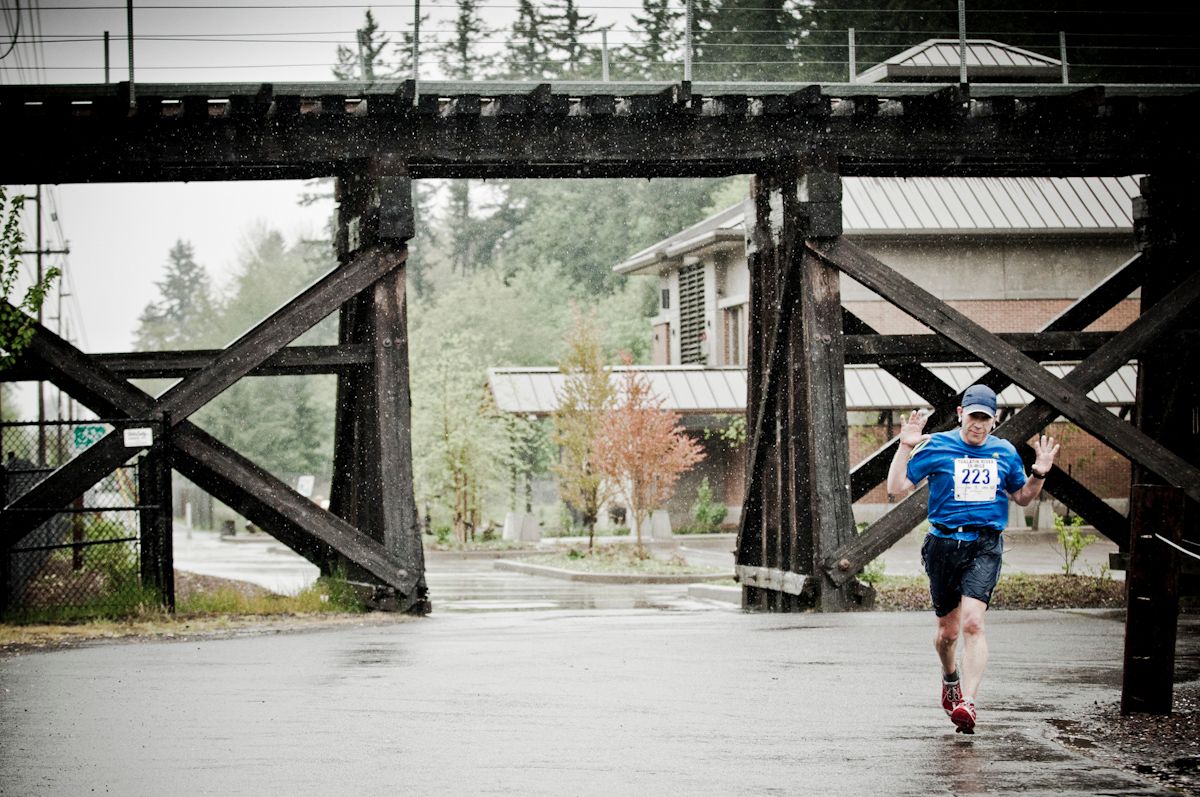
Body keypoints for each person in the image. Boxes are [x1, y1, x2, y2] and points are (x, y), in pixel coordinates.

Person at [886, 383, 1059, 734]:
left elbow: (1022, 497)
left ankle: (968, 702)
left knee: (973, 624)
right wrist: (904, 447)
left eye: (985, 419)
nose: (977, 425)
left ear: (993, 421)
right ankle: (950, 679)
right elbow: (895, 487)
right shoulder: (938, 446)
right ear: (961, 414)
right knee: (947, 633)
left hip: (984, 544)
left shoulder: (1004, 452)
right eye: (973, 417)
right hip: (943, 544)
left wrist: (1039, 473)